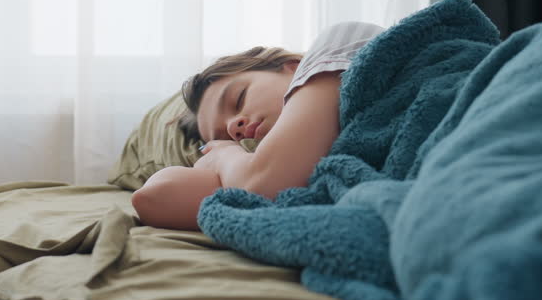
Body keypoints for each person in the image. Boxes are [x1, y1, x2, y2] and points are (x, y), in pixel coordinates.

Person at [131, 22, 384, 230]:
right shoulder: (254, 170)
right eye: (224, 137)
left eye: (239, 99)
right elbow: (152, 198)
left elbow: (263, 183)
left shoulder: (339, 42)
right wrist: (227, 159)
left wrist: (225, 155)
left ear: (293, 67)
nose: (233, 127)